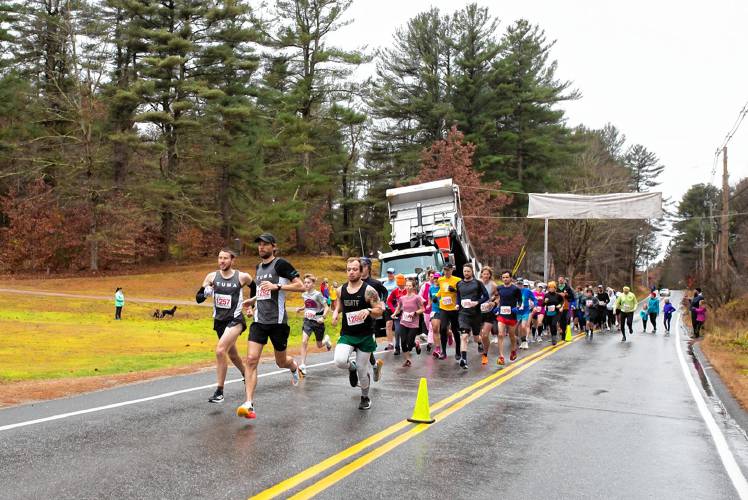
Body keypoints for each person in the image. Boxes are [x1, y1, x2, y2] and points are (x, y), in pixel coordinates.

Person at [236, 233, 304, 420]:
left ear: (274, 246)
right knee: (251, 360)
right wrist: (253, 300)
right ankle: (249, 404)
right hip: (259, 321)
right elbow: (264, 289)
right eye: (259, 245)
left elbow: (300, 287)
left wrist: (279, 287)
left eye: (265, 245)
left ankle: (293, 366)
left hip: (278, 322)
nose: (261, 248)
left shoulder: (281, 264)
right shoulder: (258, 267)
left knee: (280, 361)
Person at [195, 248, 250, 404]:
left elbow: (254, 288)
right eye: (220, 258)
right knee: (232, 355)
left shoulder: (242, 277)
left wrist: (251, 306)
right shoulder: (211, 277)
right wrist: (205, 293)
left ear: (233, 260)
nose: (222, 261)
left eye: (225, 258)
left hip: (236, 319)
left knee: (220, 350)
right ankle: (247, 375)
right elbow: (198, 298)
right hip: (220, 321)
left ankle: (219, 392)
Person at [332, 257, 384, 410]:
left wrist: (368, 310)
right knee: (340, 361)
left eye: (355, 269)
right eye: (349, 269)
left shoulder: (369, 291)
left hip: (365, 336)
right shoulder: (340, 290)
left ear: (361, 271)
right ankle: (351, 367)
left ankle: (365, 397)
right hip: (348, 334)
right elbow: (339, 305)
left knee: (363, 370)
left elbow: (379, 310)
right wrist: (335, 312)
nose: (351, 272)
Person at [296, 274, 331, 376]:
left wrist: (323, 317)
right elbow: (308, 304)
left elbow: (326, 307)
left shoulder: (318, 295)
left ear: (313, 284)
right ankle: (303, 365)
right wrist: (301, 308)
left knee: (319, 345)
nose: (306, 284)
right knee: (304, 341)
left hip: (318, 322)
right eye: (305, 282)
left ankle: (326, 341)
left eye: (308, 282)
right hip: (307, 321)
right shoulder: (304, 294)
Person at [456, 264, 489, 369]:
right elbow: (458, 296)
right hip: (463, 314)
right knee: (464, 336)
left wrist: (477, 302)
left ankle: (479, 343)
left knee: (475, 337)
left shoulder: (478, 283)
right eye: (464, 271)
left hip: (475, 314)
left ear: (472, 272)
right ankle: (464, 359)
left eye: (468, 271)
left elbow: (486, 296)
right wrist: (457, 304)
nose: (466, 273)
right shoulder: (459, 284)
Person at [360, 257, 387, 378]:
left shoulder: (375, 283)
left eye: (363, 266)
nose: (361, 268)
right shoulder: (355, 282)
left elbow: (385, 291)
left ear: (368, 267)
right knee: (361, 344)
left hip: (371, 318)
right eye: (359, 266)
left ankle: (368, 369)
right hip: (357, 317)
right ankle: (374, 365)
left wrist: (382, 302)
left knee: (366, 344)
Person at [392, 278, 425, 367]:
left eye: (410, 285)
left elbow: (422, 309)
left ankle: (416, 344)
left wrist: (414, 313)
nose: (408, 287)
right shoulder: (402, 298)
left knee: (409, 343)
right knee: (403, 342)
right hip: (404, 322)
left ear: (413, 287)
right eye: (407, 285)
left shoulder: (417, 297)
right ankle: (408, 360)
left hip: (413, 324)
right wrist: (394, 314)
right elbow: (399, 308)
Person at [496, 270, 522, 365]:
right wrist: (496, 307)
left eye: (507, 277)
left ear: (511, 278)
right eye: (503, 277)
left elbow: (520, 301)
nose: (505, 279)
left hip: (512, 315)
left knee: (511, 335)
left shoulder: (515, 289)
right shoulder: (499, 288)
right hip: (502, 314)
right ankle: (501, 356)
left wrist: (518, 307)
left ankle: (513, 350)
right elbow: (498, 298)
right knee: (500, 334)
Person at [436, 263, 461, 360]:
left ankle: (458, 352)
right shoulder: (440, 279)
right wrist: (436, 296)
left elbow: (461, 292)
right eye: (444, 270)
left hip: (454, 308)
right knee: (442, 329)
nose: (446, 272)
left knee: (455, 330)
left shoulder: (457, 280)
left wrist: (454, 290)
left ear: (452, 270)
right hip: (443, 308)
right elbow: (441, 291)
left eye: (448, 270)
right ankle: (443, 352)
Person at [479, 267, 498, 365]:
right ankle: (480, 344)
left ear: (490, 275)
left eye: (487, 274)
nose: (486, 276)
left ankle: (485, 354)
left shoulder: (493, 285)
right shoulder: (477, 283)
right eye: (484, 274)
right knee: (478, 335)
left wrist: (493, 303)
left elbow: (498, 297)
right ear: (481, 274)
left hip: (488, 312)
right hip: (477, 312)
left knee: (485, 335)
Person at [386, 274, 408, 355]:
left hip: (407, 314)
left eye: (400, 281)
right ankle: (397, 347)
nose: (399, 283)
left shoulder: (408, 290)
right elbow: (388, 301)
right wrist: (393, 310)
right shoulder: (395, 291)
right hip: (398, 314)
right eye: (397, 281)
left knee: (406, 331)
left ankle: (409, 344)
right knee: (397, 331)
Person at [517, 280, 535, 349]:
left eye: (521, 284)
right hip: (517, 311)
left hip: (526, 311)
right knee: (518, 328)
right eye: (518, 284)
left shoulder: (527, 291)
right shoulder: (514, 290)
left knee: (524, 326)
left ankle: (525, 341)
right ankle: (522, 341)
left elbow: (534, 299)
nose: (519, 285)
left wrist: (535, 306)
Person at [382, 268, 398, 350]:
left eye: (391, 273)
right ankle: (390, 344)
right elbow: (382, 295)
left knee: (400, 326)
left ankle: (403, 341)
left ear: (394, 273)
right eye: (388, 273)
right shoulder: (384, 284)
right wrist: (382, 303)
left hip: (397, 306)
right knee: (388, 325)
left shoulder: (397, 282)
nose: (390, 274)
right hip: (388, 307)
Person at [429, 272, 443, 357]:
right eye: (434, 278)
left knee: (445, 330)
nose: (436, 280)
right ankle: (437, 348)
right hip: (435, 310)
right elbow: (430, 298)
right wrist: (429, 305)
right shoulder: (431, 288)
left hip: (444, 310)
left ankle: (449, 335)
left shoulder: (443, 287)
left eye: (437, 278)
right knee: (435, 328)